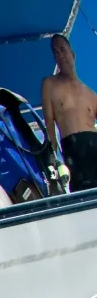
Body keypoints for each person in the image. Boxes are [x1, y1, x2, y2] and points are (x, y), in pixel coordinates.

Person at [42, 33, 97, 192]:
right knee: (82, 196)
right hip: (73, 147)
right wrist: (52, 158)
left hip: (93, 144)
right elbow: (49, 124)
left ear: (72, 54)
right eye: (55, 53)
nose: (60, 56)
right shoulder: (49, 85)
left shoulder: (90, 94)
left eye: (62, 50)